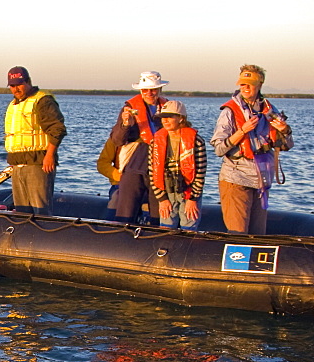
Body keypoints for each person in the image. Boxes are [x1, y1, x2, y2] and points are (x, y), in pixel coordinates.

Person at [211, 64, 293, 234]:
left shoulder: (270, 110)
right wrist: (242, 131)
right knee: (238, 234)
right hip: (235, 177)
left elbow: (287, 146)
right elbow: (218, 149)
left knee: (258, 234)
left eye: (250, 84)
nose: (245, 87)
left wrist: (285, 130)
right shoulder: (229, 112)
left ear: (260, 85)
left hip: (261, 179)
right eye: (242, 84)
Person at [3, 66, 67, 215]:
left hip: (38, 162)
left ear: (28, 81)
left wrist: (49, 156)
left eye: (19, 84)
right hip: (18, 163)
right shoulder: (14, 105)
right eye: (12, 86)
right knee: (21, 211)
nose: (16, 89)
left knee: (40, 209)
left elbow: (57, 129)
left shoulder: (43, 101)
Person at [108, 71, 169, 224]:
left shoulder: (168, 108)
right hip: (134, 166)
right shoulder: (129, 109)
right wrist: (125, 125)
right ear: (140, 90)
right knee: (126, 214)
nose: (149, 93)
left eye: (153, 89)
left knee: (159, 215)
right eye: (145, 89)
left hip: (160, 168)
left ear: (160, 89)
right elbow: (117, 140)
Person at [147, 100, 207, 230]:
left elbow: (200, 173)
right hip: (167, 191)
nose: (165, 121)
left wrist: (193, 199)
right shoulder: (155, 141)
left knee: (189, 228)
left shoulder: (197, 141)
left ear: (181, 118)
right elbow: (152, 172)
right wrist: (162, 199)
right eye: (163, 117)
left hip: (188, 191)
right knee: (166, 227)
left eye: (170, 117)